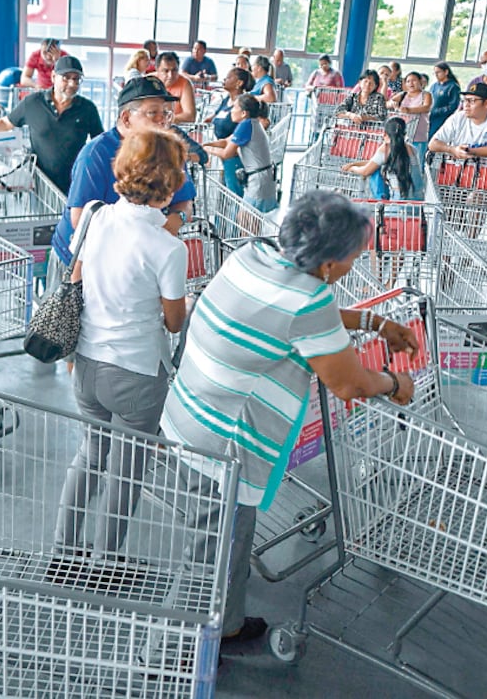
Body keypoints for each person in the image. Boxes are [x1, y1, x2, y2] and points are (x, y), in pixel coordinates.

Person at [160, 190, 417, 646]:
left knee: (232, 538)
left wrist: (372, 323)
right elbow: (349, 384)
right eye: (353, 257)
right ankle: (173, 655)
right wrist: (394, 384)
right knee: (211, 550)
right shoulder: (309, 299)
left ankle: (229, 623)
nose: (354, 267)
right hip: (222, 440)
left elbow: (291, 315)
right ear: (327, 264)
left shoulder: (252, 255)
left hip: (192, 411)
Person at [55, 129, 188, 557]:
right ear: (169, 182)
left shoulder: (95, 215)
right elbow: (173, 323)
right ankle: (106, 560)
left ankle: (65, 548)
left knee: (90, 456)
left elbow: (76, 279)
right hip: (136, 374)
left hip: (87, 364)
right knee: (126, 473)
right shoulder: (168, 247)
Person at [51, 76, 197, 265]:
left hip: (137, 257)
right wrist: (133, 247)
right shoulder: (96, 154)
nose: (163, 121)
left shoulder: (167, 149)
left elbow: (185, 201)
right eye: (153, 113)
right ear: (126, 118)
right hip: (82, 257)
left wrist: (168, 228)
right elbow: (80, 219)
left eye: (167, 113)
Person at [0, 55, 104, 195]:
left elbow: (100, 142)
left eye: (76, 79)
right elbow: (6, 123)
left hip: (75, 184)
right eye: (66, 77)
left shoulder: (87, 109)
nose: (72, 84)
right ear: (54, 77)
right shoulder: (33, 103)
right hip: (40, 185)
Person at [203, 94, 276, 210]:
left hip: (258, 182)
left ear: (244, 113)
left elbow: (227, 154)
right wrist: (205, 145)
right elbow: (226, 142)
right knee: (247, 221)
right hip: (262, 179)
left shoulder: (246, 125)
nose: (231, 111)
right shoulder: (250, 123)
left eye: (235, 107)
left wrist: (205, 149)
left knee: (246, 221)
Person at [427, 81, 487, 159]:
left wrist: (467, 151)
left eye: (471, 101)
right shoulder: (458, 118)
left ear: (486, 103)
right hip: (457, 169)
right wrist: (452, 150)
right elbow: (432, 144)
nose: (466, 105)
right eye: (464, 100)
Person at [342, 116, 417, 201]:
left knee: (376, 171)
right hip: (418, 200)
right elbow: (373, 163)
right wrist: (353, 164)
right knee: (378, 167)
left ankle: (381, 200)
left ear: (384, 134)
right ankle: (382, 200)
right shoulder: (412, 149)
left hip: (398, 200)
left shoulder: (385, 149)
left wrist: (352, 168)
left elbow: (366, 171)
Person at [391, 71, 430, 193]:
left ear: (421, 82)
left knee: (417, 163)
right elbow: (390, 102)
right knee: (402, 163)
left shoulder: (425, 95)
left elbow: (426, 107)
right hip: (404, 134)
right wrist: (395, 105)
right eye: (408, 81)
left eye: (414, 80)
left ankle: (417, 191)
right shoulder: (403, 95)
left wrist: (408, 110)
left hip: (419, 135)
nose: (411, 83)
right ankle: (401, 189)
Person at [207, 67, 252, 140]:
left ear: (239, 83)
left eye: (228, 77)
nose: (224, 79)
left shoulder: (244, 103)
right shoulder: (226, 99)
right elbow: (214, 116)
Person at [152, 51, 196, 122]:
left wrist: (164, 120)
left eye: (174, 70)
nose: (171, 75)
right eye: (166, 71)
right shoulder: (148, 81)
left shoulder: (185, 83)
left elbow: (190, 116)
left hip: (174, 126)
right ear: (157, 70)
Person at [428, 62, 460, 138]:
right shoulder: (434, 85)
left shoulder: (453, 86)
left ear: (446, 72)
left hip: (442, 119)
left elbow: (453, 106)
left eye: (438, 72)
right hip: (430, 118)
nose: (436, 75)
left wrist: (437, 111)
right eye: (434, 73)